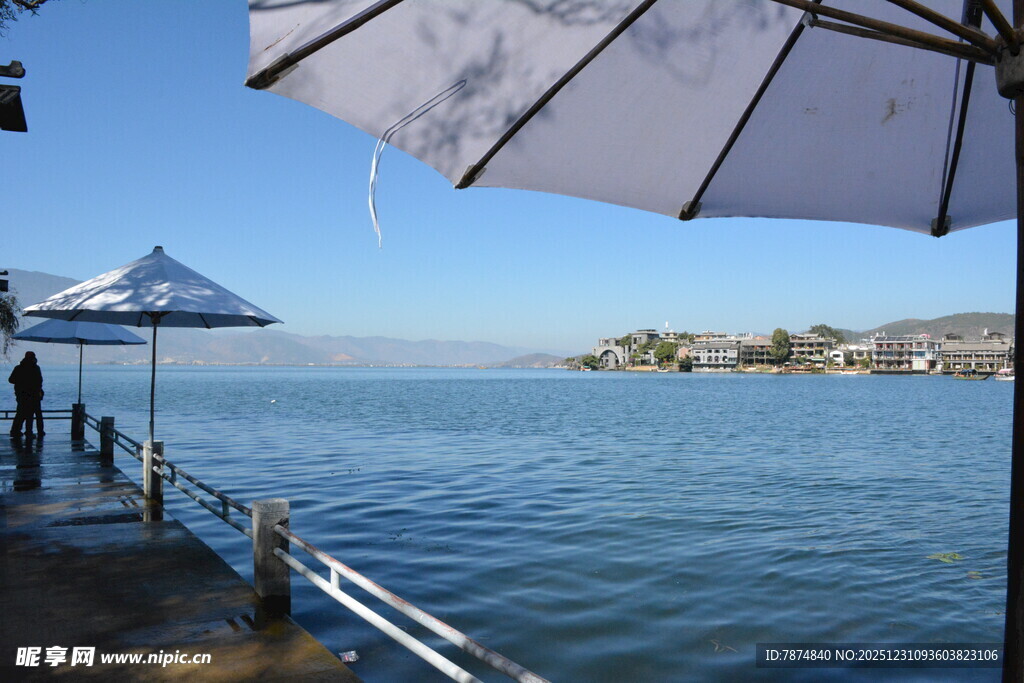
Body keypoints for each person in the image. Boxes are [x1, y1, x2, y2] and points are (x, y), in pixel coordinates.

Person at [9, 351, 43, 437]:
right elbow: (39, 381)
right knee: (34, 414)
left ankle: (15, 430)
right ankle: (32, 431)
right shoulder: (36, 368)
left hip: (21, 395)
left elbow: (11, 380)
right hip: (34, 395)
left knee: (21, 413)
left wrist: (20, 383)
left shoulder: (18, 368)